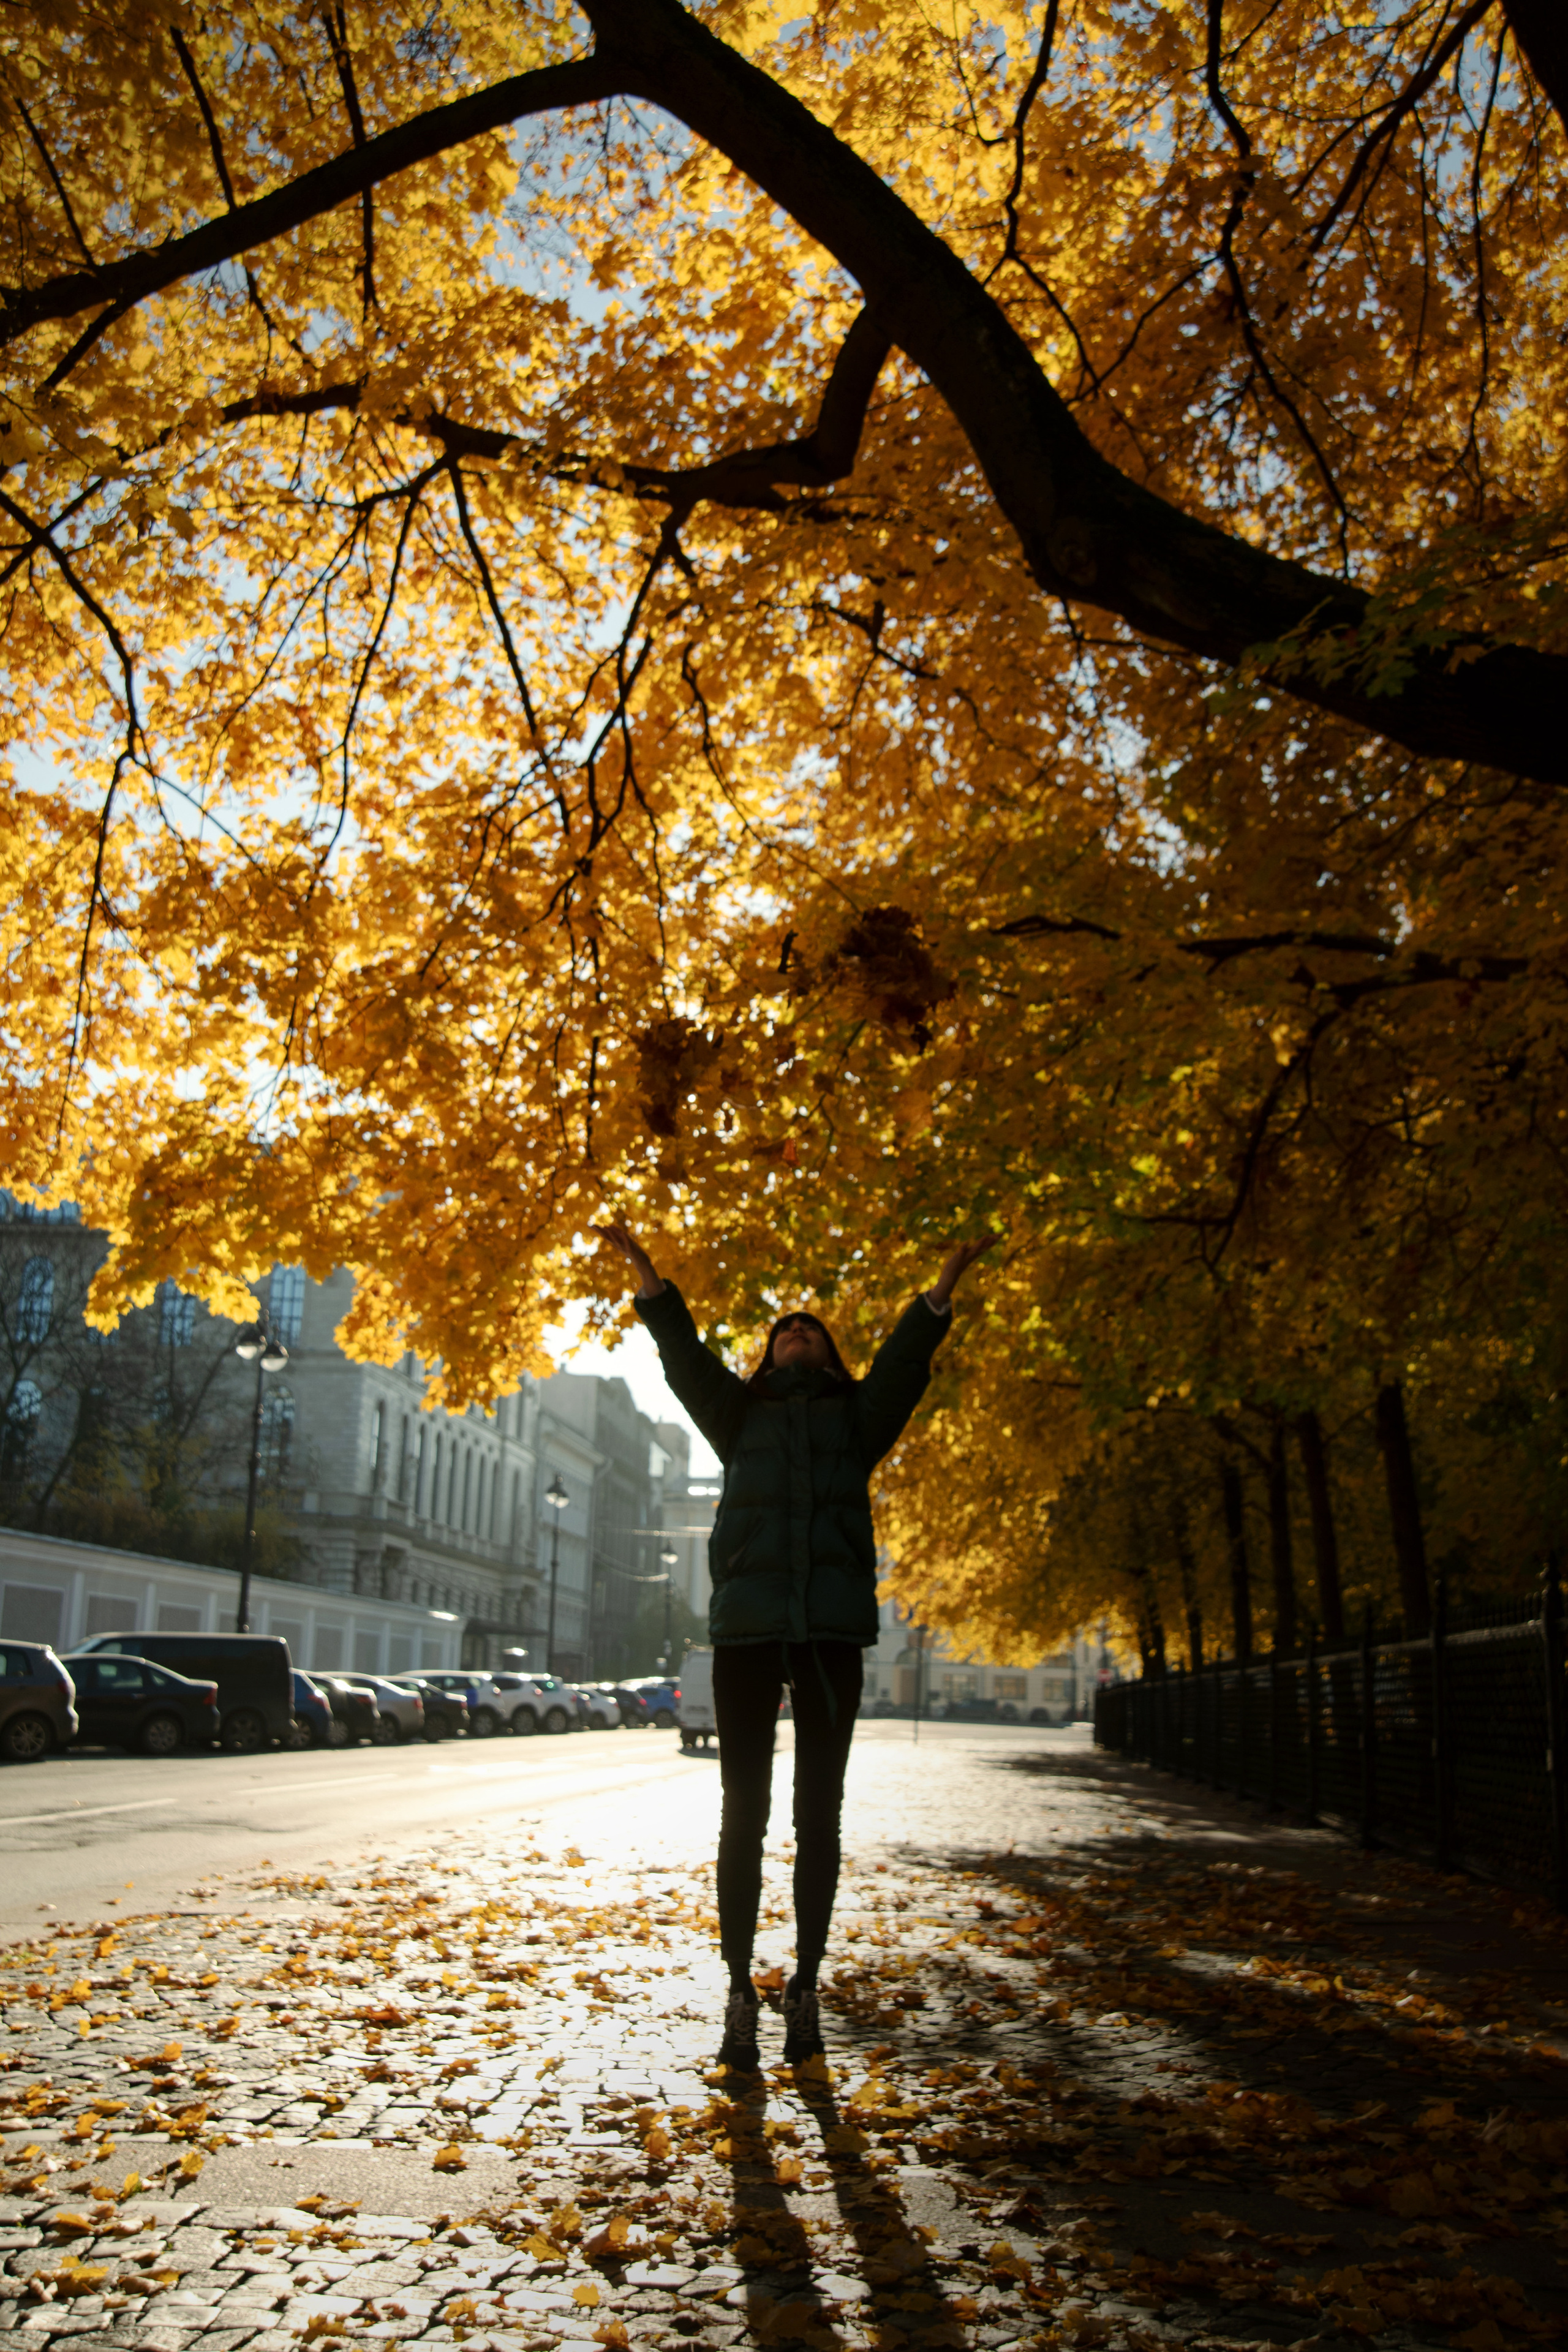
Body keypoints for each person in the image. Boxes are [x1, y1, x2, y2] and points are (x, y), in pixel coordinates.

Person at [592, 1218, 992, 2070]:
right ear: (768, 1359)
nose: (796, 1335)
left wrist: (944, 1282)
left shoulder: (859, 1422)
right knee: (745, 1814)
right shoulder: (736, 1418)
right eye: (783, 1333)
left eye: (809, 1331)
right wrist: (647, 1278)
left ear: (827, 1355)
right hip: (746, 1633)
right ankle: (740, 1990)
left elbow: (901, 1367)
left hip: (832, 1637)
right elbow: (686, 1360)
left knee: (820, 1817)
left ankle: (804, 1986)